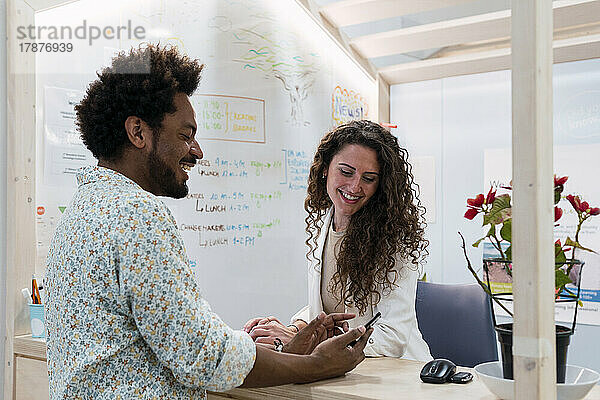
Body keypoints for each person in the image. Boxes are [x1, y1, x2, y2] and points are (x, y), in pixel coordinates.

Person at [44, 44, 373, 400]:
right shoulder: (135, 216)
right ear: (138, 132)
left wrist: (286, 354)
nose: (197, 151)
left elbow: (160, 346)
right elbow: (200, 356)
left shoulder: (82, 210)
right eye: (185, 135)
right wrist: (316, 364)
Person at [243, 120, 432, 361]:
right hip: (345, 370)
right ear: (325, 168)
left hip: (399, 373)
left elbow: (392, 337)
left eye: (369, 178)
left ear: (381, 184)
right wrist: (296, 329)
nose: (355, 186)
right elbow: (328, 306)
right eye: (346, 171)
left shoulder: (393, 239)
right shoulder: (324, 224)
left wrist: (308, 342)